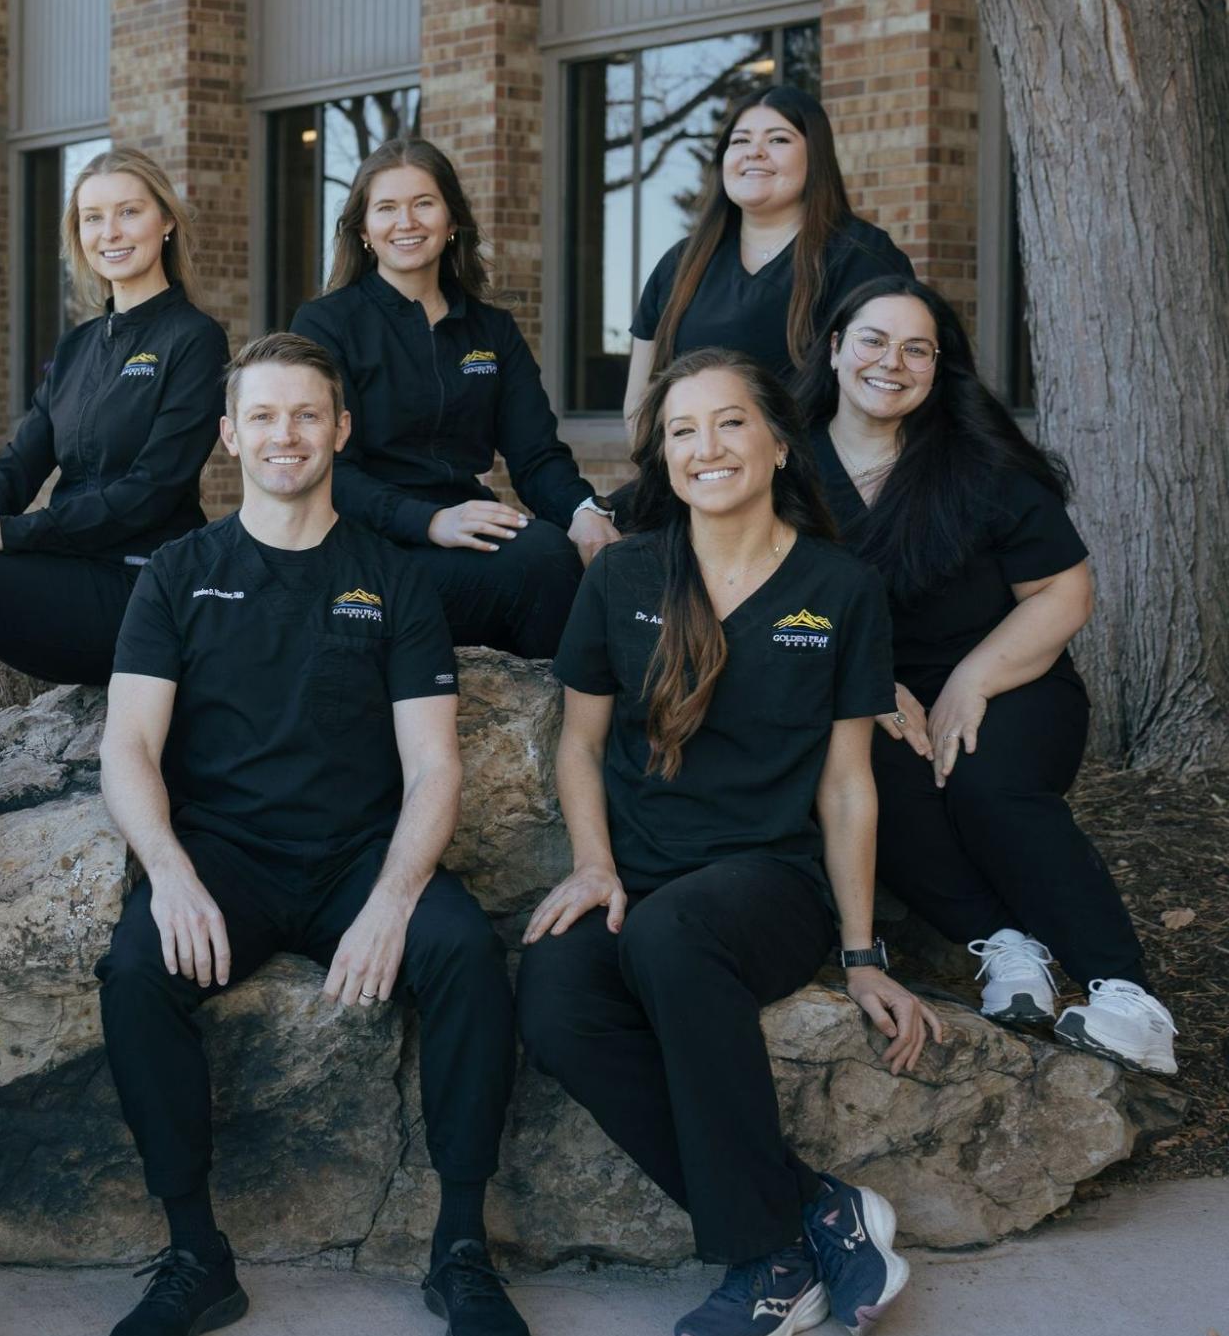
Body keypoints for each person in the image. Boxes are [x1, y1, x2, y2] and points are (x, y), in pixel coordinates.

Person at [95, 333, 526, 1336]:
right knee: (132, 971)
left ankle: (461, 1246)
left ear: (338, 429)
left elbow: (432, 770)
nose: (284, 434)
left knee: (464, 955)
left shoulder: (390, 579)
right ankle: (195, 1256)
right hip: (224, 861)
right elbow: (129, 746)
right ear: (229, 435)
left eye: (305, 415)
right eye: (263, 416)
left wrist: (390, 901)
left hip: (355, 862)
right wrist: (170, 874)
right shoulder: (181, 575)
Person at [518, 346, 944, 1336]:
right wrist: (591, 865)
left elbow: (847, 783)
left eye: (727, 423)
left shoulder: (839, 588)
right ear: (661, 458)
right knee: (553, 996)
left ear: (777, 440)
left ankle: (762, 1263)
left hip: (771, 886)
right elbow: (578, 742)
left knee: (672, 937)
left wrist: (860, 953)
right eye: (680, 432)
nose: (703, 447)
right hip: (644, 876)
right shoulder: (622, 572)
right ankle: (817, 1211)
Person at [795, 276, 1178, 1075]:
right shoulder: (780, 460)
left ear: (939, 367)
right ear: (833, 349)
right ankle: (1010, 948)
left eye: (916, 348)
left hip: (1012, 677)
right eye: (872, 339)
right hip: (869, 693)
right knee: (861, 772)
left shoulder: (977, 463)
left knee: (982, 777)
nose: (890, 362)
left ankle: (1128, 998)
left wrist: (972, 679)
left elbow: (1063, 591)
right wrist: (864, 679)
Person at [0, 146, 229, 684]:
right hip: (67, 565)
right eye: (93, 218)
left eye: (128, 212)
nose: (110, 232)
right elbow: (18, 466)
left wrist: (11, 532)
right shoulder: (77, 346)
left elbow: (150, 491)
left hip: (137, 586)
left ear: (165, 221)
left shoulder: (194, 340)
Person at [291, 137, 619, 657]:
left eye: (423, 203)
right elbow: (330, 472)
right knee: (543, 557)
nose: (407, 222)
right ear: (364, 231)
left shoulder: (490, 330)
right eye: (387, 208)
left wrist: (582, 510)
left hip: (465, 529)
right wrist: (428, 522)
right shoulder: (327, 324)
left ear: (451, 222)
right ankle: (579, 721)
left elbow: (535, 456)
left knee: (608, 542)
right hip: (370, 545)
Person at [621, 86, 914, 427]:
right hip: (697, 472)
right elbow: (641, 398)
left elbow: (889, 389)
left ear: (815, 157)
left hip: (816, 476)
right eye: (740, 141)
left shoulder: (862, 256)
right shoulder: (681, 264)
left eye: (778, 140)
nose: (754, 152)